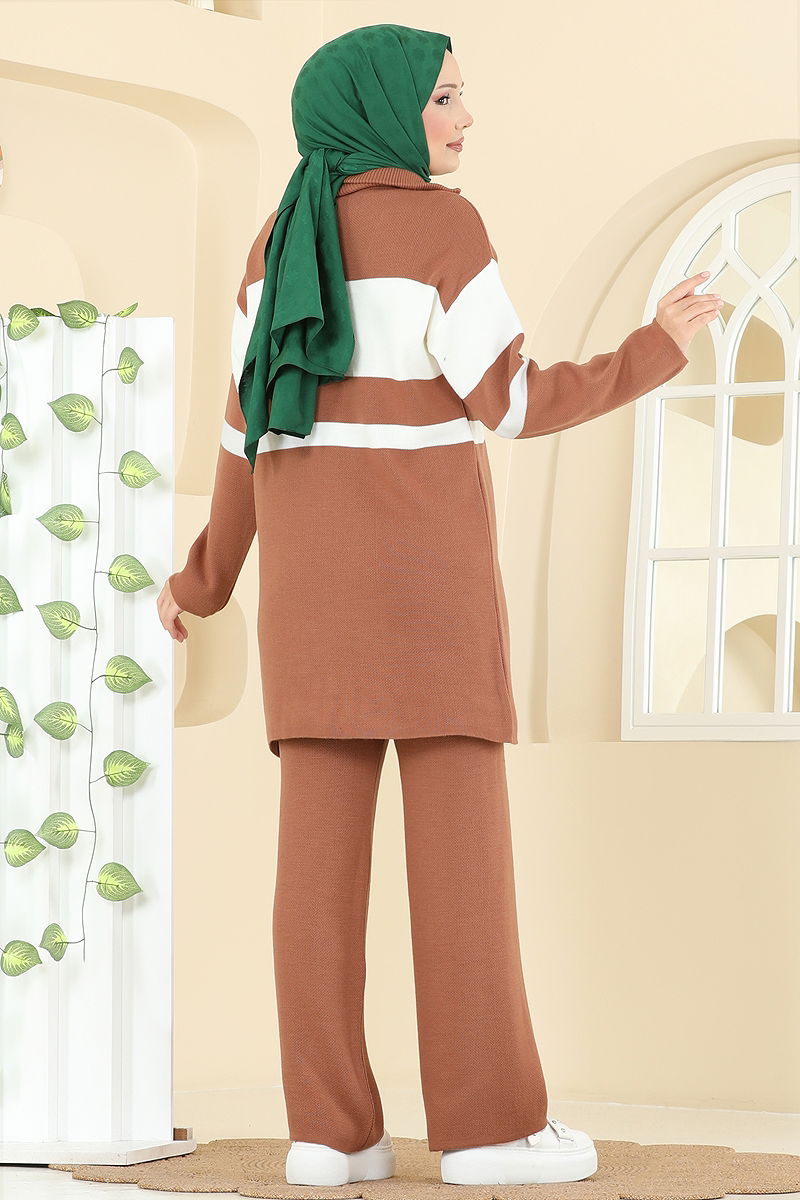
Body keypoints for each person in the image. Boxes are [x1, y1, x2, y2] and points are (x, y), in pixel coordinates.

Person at [157, 24, 721, 1189]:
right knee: (461, 871)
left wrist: (201, 582)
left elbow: (242, 434)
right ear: (382, 108)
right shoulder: (440, 229)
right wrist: (652, 350)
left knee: (312, 881)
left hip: (310, 604)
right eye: (444, 98)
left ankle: (329, 1136)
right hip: (428, 596)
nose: (464, 119)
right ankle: (488, 1133)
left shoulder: (274, 245)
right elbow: (509, 402)